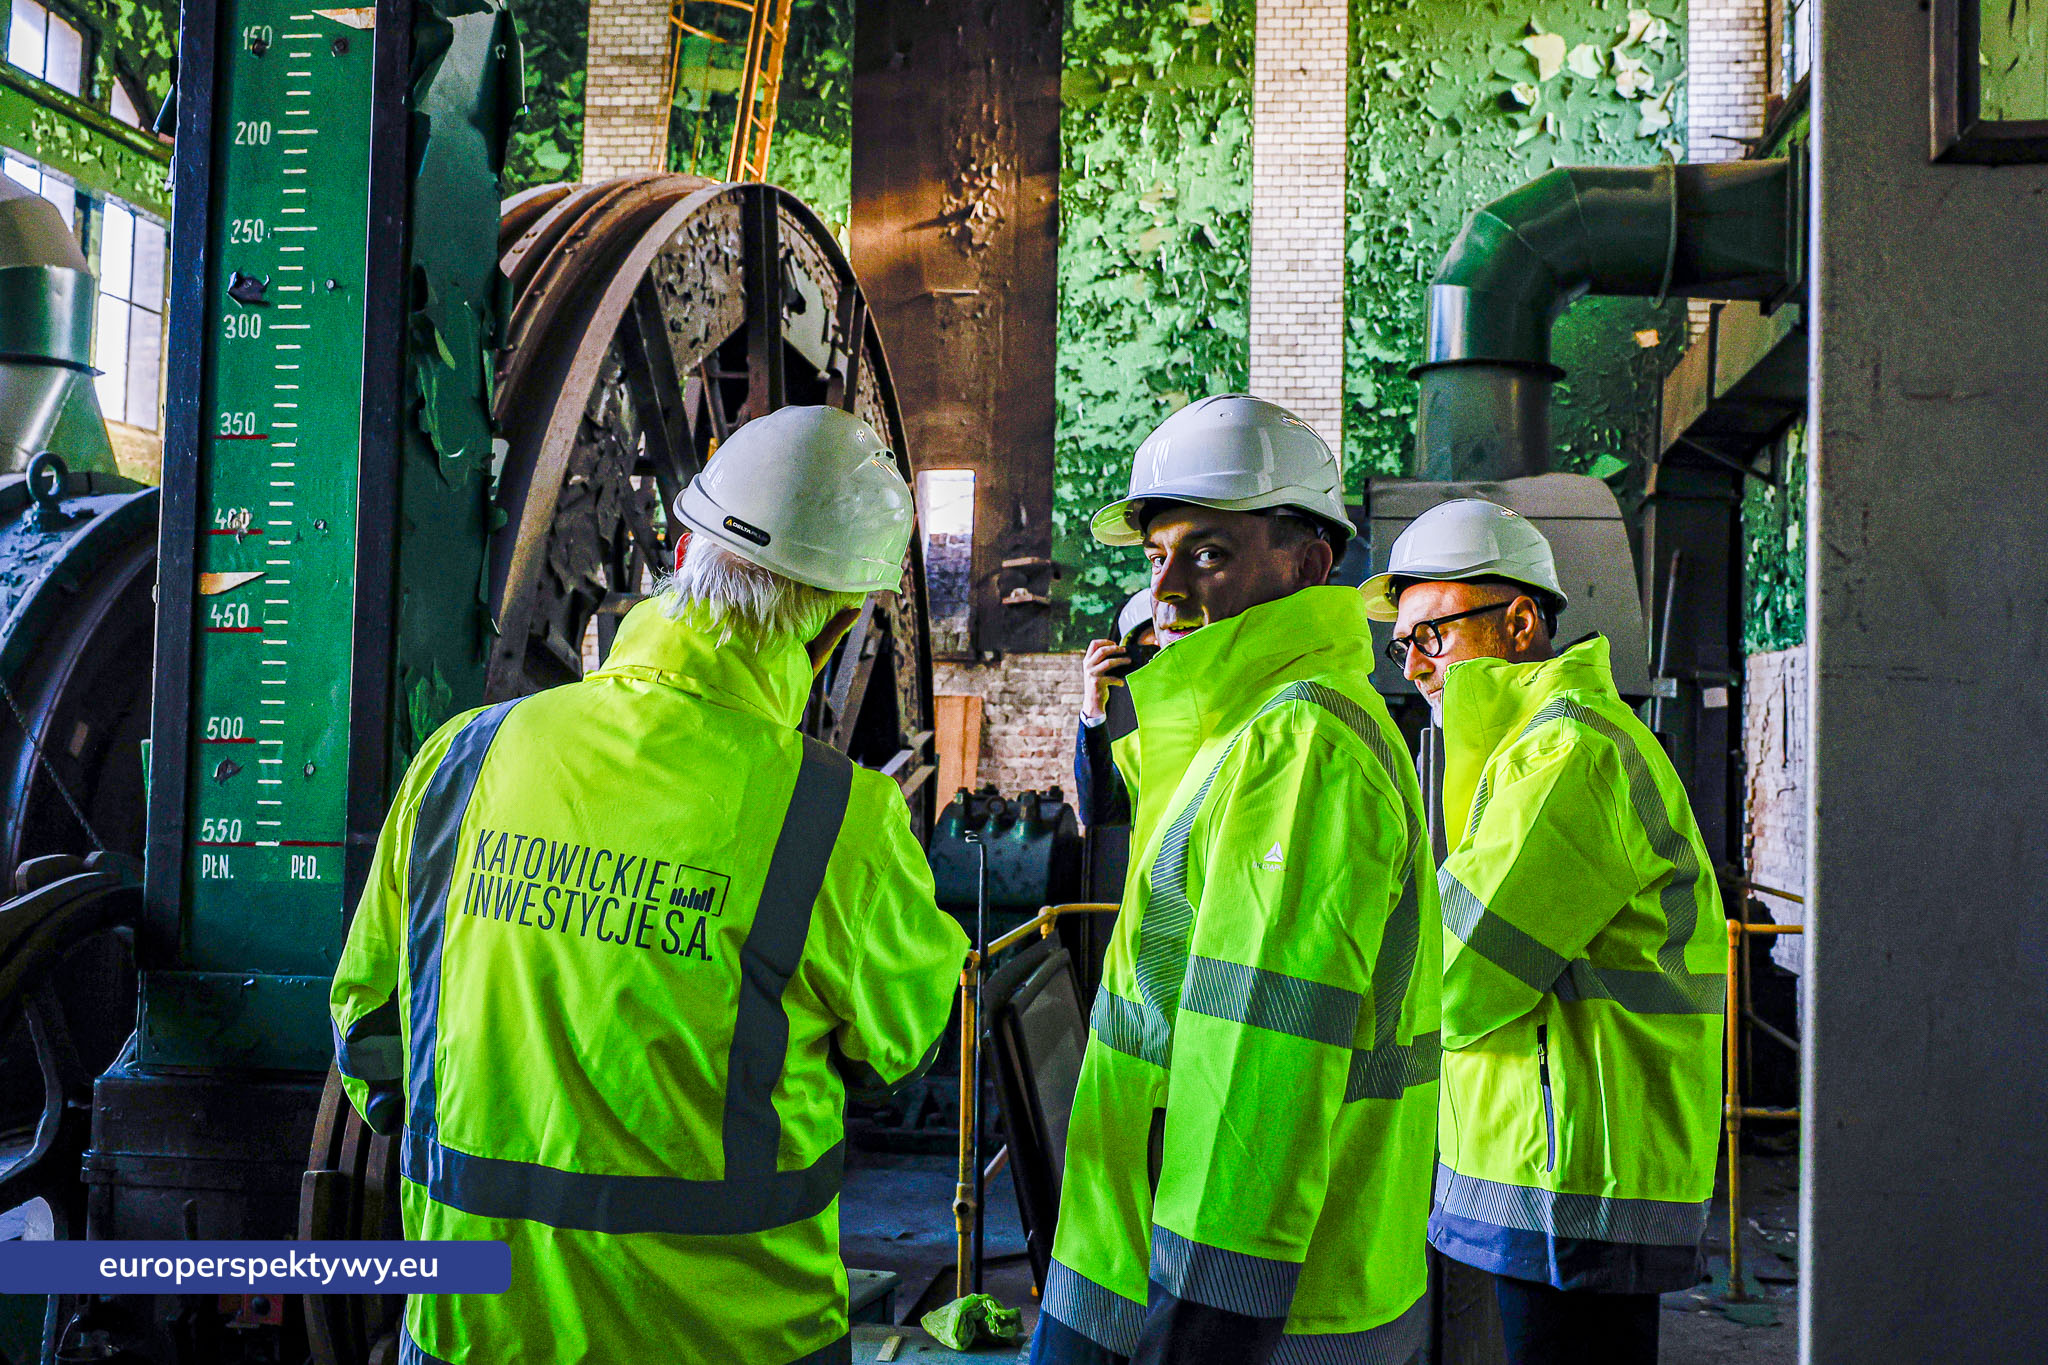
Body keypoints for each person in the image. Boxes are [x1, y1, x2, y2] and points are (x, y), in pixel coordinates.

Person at [329, 406, 969, 1365]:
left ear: (682, 550)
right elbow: (903, 1046)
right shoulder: (842, 821)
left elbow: (370, 1028)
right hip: (732, 1342)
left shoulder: (462, 761)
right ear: (839, 622)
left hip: (471, 1333)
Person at [1032, 395, 1441, 1365]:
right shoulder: (1240, 729)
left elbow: (1260, 1063)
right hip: (1145, 1255)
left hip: (1228, 1310)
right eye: (1154, 556)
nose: (1166, 590)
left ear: (1306, 564)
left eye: (1207, 554)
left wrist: (1204, 1329)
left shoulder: (1300, 747)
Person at [1362, 498, 1726, 1365]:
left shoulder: (1572, 758)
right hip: (1547, 1172)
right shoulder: (1528, 751)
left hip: (1575, 1187)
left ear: (1519, 620)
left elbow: (1459, 975)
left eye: (1431, 636)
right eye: (1402, 643)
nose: (1413, 666)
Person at [1074, 590, 1154, 828]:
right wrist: (1093, 707)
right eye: (1149, 654)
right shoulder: (1132, 752)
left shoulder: (1243, 736)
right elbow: (1098, 814)